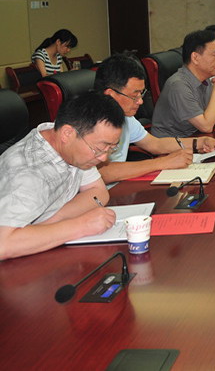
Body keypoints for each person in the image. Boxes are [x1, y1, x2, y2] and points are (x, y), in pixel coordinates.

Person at [0, 92, 124, 260]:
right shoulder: (29, 172)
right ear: (67, 134)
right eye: (99, 149)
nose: (103, 158)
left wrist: (54, 220)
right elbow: (3, 244)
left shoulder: (70, 142)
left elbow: (98, 192)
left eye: (111, 148)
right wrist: (81, 225)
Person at [94, 53, 215, 182]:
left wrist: (200, 142)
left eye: (141, 94)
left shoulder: (125, 117)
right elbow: (102, 173)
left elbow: (155, 144)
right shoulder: (92, 123)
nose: (140, 101)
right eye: (134, 96)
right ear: (111, 94)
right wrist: (164, 162)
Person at [151, 30, 215, 137]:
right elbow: (206, 127)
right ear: (195, 57)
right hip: (173, 143)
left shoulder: (205, 80)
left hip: (196, 137)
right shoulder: (178, 85)